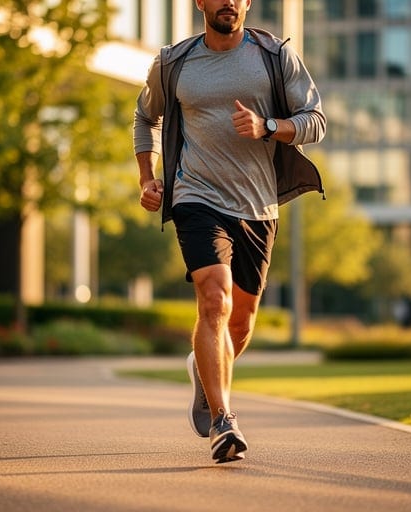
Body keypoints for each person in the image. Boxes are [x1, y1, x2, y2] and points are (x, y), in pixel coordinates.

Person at [133, 0, 326, 464]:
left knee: (240, 322)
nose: (228, 2)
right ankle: (224, 420)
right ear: (200, 2)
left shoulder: (274, 56)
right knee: (214, 298)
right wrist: (147, 176)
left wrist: (268, 126)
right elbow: (145, 117)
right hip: (196, 196)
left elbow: (316, 122)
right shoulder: (173, 62)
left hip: (257, 206)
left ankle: (203, 370)